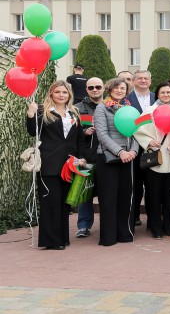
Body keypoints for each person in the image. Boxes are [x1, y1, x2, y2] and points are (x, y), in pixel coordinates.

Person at [26, 81, 86, 250]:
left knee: (64, 204)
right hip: (49, 164)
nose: (61, 95)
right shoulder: (43, 111)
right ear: (51, 94)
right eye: (57, 92)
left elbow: (79, 139)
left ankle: (62, 238)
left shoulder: (74, 113)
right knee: (50, 203)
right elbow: (33, 131)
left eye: (64, 92)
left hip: (69, 164)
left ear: (69, 95)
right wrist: (30, 115)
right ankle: (51, 241)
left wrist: (81, 158)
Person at [132, 82, 170, 239]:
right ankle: (155, 227)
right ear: (158, 94)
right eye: (163, 92)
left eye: (169, 92)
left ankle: (169, 226)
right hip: (155, 158)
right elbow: (137, 128)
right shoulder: (149, 111)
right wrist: (148, 141)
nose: (166, 95)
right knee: (154, 196)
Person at [94, 78, 140, 246]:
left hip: (129, 157)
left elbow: (136, 132)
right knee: (108, 198)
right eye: (116, 88)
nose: (120, 90)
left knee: (126, 197)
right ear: (110, 89)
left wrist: (133, 151)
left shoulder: (130, 108)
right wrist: (120, 152)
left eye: (123, 88)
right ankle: (108, 237)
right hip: (108, 157)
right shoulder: (101, 108)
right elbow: (102, 134)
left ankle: (124, 234)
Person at [74, 77, 104, 238]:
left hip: (106, 158)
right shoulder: (78, 109)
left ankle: (107, 224)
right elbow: (72, 135)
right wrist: (85, 132)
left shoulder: (111, 107)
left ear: (103, 88)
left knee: (106, 193)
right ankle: (83, 226)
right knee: (85, 195)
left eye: (97, 87)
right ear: (86, 90)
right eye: (91, 87)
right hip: (87, 158)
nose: (94, 90)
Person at [127, 70, 155, 227]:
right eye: (140, 78)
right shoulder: (126, 100)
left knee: (152, 186)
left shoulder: (156, 98)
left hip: (154, 148)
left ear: (150, 81)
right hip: (134, 148)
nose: (143, 81)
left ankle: (152, 219)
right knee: (135, 186)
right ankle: (135, 216)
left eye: (146, 78)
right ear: (133, 81)